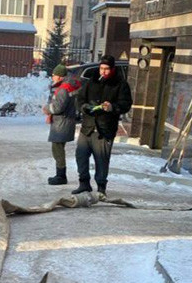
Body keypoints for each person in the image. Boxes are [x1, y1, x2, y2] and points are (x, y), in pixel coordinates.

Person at [73, 55, 132, 196]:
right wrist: (84, 107)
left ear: (112, 69)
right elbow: (79, 99)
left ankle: (101, 187)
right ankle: (84, 183)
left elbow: (126, 104)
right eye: (101, 68)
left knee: (101, 159)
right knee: (81, 155)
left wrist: (112, 107)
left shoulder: (120, 84)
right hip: (87, 127)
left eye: (106, 69)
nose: (103, 71)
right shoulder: (91, 81)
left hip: (105, 129)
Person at [43, 64, 80, 185]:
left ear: (59, 76)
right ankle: (60, 174)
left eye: (53, 75)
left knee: (57, 148)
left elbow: (58, 107)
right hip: (65, 122)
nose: (52, 77)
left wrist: (47, 109)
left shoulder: (63, 89)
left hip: (61, 123)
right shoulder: (68, 86)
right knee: (58, 148)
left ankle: (61, 175)